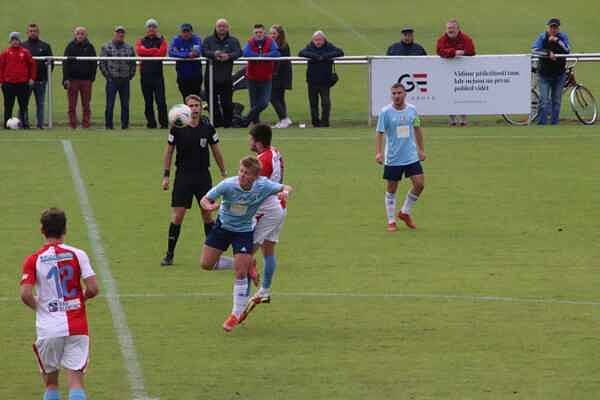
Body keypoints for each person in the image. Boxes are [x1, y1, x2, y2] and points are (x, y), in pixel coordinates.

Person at [199, 156, 292, 332]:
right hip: (222, 228)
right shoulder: (228, 184)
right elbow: (205, 199)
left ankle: (235, 314)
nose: (242, 175)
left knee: (240, 273)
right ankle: (249, 262)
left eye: (246, 173)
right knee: (206, 264)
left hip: (243, 232)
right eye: (241, 171)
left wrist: (284, 192)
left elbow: (286, 186)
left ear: (255, 177)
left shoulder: (263, 186)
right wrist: (209, 207)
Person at [20, 208, 99, 400]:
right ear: (65, 229)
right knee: (76, 381)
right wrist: (81, 299)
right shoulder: (78, 254)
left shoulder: (33, 259)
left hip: (49, 329)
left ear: (42, 230)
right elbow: (93, 288)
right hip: (77, 327)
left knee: (51, 384)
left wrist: (40, 307)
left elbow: (25, 294)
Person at [160, 94, 227, 266]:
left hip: (203, 176)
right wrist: (166, 175)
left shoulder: (208, 127)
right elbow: (169, 151)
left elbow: (216, 150)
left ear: (201, 107)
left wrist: (223, 171)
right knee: (177, 216)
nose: (195, 108)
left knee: (207, 214)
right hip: (183, 176)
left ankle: (214, 256)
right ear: (186, 108)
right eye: (191, 105)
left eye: (197, 105)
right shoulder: (177, 126)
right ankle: (169, 254)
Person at [241, 124, 287, 320]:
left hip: (266, 210)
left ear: (257, 142)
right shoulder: (275, 151)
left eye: (250, 138)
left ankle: (240, 304)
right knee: (269, 251)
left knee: (244, 255)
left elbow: (254, 188)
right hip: (281, 206)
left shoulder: (261, 162)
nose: (248, 141)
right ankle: (265, 289)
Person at [375, 83, 426, 232]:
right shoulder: (386, 112)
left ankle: (404, 212)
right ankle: (391, 221)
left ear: (405, 94)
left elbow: (417, 128)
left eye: (399, 93)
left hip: (410, 155)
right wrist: (378, 152)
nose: (396, 96)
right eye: (394, 93)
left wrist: (421, 149)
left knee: (420, 184)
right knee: (392, 188)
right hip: (393, 157)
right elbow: (379, 132)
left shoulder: (412, 110)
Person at [298, 30, 344, 127]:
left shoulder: (329, 46)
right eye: (316, 40)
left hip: (325, 81)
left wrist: (324, 57)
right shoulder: (310, 46)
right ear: (313, 40)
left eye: (319, 40)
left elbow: (340, 52)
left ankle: (325, 122)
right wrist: (316, 57)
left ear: (324, 40)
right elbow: (301, 53)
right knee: (313, 103)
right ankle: (315, 123)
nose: (318, 42)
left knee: (326, 103)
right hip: (312, 80)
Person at [202, 18, 242, 128]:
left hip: (226, 77)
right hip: (211, 77)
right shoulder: (208, 40)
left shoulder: (233, 41)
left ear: (228, 28)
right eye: (219, 26)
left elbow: (239, 52)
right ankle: (216, 124)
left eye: (224, 26)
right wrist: (215, 54)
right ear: (216, 27)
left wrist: (228, 56)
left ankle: (228, 124)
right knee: (212, 103)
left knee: (227, 103)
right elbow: (204, 51)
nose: (222, 28)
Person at [436, 19, 475, 127]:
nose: (450, 30)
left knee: (463, 94)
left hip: (463, 73)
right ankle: (452, 119)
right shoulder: (442, 39)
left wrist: (460, 52)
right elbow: (439, 51)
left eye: (452, 28)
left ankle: (463, 119)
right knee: (448, 94)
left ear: (458, 29)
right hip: (446, 72)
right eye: (448, 28)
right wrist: (455, 52)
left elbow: (471, 51)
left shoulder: (465, 38)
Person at [532, 18, 571, 125]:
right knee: (544, 101)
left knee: (556, 101)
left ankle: (554, 123)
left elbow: (567, 50)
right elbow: (534, 49)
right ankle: (541, 123)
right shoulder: (542, 37)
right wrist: (548, 52)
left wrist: (557, 41)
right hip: (544, 74)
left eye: (555, 27)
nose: (553, 29)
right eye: (551, 27)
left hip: (559, 74)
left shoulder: (562, 37)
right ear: (548, 27)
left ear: (558, 28)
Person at [241, 24, 280, 127]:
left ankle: (245, 119)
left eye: (260, 32)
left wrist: (262, 57)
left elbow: (276, 53)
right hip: (252, 78)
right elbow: (245, 52)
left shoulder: (270, 41)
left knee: (264, 102)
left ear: (264, 33)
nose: (258, 34)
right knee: (254, 103)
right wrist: (260, 57)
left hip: (266, 78)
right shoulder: (250, 42)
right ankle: (255, 124)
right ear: (253, 34)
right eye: (256, 33)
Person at [99, 26, 136, 130]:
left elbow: (133, 63)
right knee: (110, 104)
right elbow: (102, 63)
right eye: (118, 33)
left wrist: (130, 75)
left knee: (125, 104)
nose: (120, 35)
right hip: (112, 80)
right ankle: (108, 125)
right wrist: (108, 76)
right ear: (114, 34)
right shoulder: (106, 47)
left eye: (122, 33)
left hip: (125, 80)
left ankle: (125, 125)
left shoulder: (129, 47)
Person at [135, 18, 169, 129]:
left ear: (156, 28)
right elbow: (140, 51)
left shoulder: (161, 40)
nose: (151, 29)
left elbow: (162, 54)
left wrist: (148, 52)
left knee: (161, 101)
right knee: (148, 102)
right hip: (145, 76)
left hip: (157, 76)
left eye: (153, 27)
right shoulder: (141, 40)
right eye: (149, 26)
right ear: (147, 28)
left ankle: (164, 124)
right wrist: (154, 50)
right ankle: (151, 123)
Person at [63, 27, 97, 129]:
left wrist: (91, 78)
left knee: (86, 104)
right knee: (71, 105)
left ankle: (86, 124)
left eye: (82, 33)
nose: (80, 35)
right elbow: (66, 63)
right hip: (73, 80)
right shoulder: (70, 46)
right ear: (75, 35)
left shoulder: (90, 47)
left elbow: (94, 63)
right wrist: (66, 78)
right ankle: (72, 124)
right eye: (78, 33)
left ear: (85, 35)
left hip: (86, 80)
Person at [0, 32, 36, 129]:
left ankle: (24, 124)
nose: (15, 42)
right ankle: (7, 125)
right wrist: (2, 81)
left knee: (23, 106)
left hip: (22, 83)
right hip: (8, 84)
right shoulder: (5, 53)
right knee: (8, 106)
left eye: (16, 40)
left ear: (19, 41)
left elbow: (32, 65)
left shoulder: (25, 52)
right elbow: (1, 67)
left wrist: (32, 78)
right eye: (13, 40)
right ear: (10, 41)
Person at [22, 24, 53, 129]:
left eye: (34, 31)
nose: (32, 33)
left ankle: (40, 125)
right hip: (26, 81)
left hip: (40, 81)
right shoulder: (23, 46)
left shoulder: (45, 46)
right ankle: (23, 123)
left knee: (40, 104)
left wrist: (46, 76)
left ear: (38, 32)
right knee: (23, 103)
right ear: (27, 33)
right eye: (30, 31)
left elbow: (50, 63)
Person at [169, 23, 203, 101]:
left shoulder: (196, 39)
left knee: (196, 98)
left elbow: (196, 52)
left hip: (196, 76)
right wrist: (187, 54)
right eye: (184, 32)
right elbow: (171, 52)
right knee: (186, 98)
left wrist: (180, 54)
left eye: (188, 31)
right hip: (182, 76)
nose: (186, 34)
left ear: (191, 32)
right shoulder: (176, 40)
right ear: (181, 32)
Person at [269, 25, 293, 128]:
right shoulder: (273, 44)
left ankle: (284, 118)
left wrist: (273, 72)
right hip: (276, 74)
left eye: (274, 33)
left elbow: (281, 61)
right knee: (279, 97)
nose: (272, 35)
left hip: (280, 75)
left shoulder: (283, 45)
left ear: (279, 34)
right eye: (270, 33)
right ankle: (283, 119)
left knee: (273, 97)